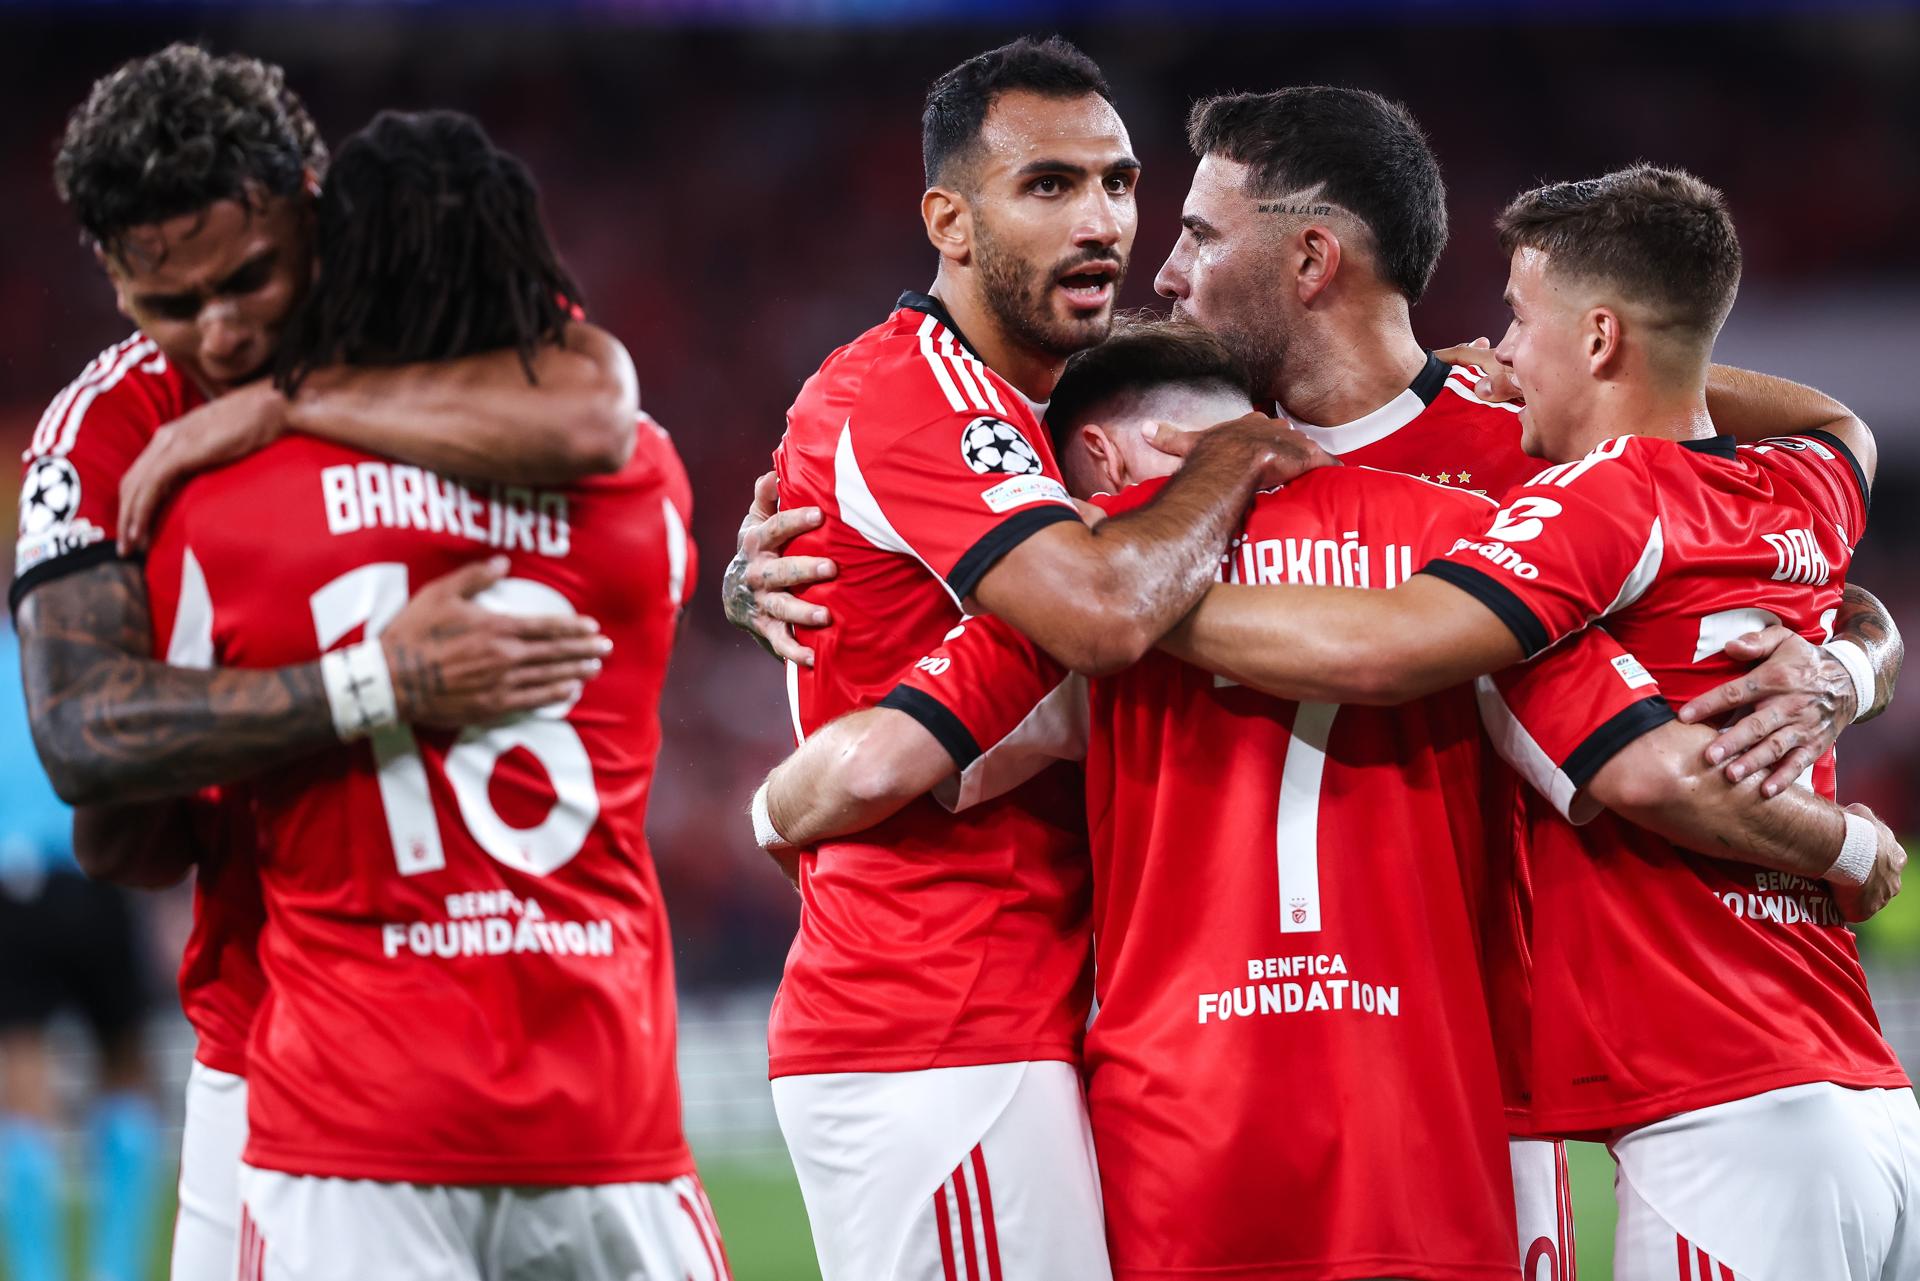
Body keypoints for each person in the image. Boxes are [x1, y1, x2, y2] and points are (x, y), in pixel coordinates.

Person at [747, 318, 1901, 1281]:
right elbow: (1648, 768)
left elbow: (868, 768)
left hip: (1184, 1132)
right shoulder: (1474, 551)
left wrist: (766, 811)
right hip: (1437, 1130)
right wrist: (1846, 820)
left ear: (1107, 453)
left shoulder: (1087, 610)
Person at [1152, 164, 1913, 1280]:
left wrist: (1102, 600)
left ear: (1600, 338)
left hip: (1729, 1110)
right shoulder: (1809, 483)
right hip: (1861, 1091)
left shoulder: (1598, 499)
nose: (1499, 351)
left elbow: (1391, 646)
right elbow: (1839, 419)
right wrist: (1856, 663)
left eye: (1518, 317)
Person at [21, 43, 627, 1279]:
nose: (223, 334)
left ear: (310, 192)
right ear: (111, 275)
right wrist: (380, 681)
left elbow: (597, 411)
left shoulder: (430, 311)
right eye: (170, 307)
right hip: (280, 1045)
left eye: (250, 277)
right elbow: (82, 735)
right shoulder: (98, 428)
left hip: (541, 1015)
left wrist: (295, 410)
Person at [755, 36, 1322, 1281]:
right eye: (1051, 186)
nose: (1105, 221)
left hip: (1048, 1009)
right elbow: (1103, 614)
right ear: (950, 219)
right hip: (940, 1020)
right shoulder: (911, 393)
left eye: (1120, 183)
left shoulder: (1048, 405)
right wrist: (1239, 458)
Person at [139, 106, 720, 1281]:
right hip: (608, 1123)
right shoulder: (642, 485)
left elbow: (138, 821)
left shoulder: (226, 508)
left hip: (354, 1127)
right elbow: (592, 393)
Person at [0, 620, 162, 1281]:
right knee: (127, 1071)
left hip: (14, 888)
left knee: (23, 1084)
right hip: (95, 873)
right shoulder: (85, 650)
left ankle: (39, 1273)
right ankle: (115, 1269)